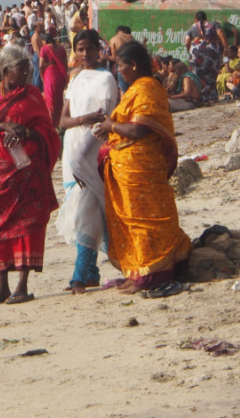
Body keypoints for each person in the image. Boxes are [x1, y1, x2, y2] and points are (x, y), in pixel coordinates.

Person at [92, 41, 192, 294]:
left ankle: (152, 274)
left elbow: (138, 129)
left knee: (145, 220)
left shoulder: (147, 89)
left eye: (120, 65)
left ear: (134, 65)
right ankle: (137, 272)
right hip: (127, 167)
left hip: (142, 168)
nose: (118, 71)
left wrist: (110, 127)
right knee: (130, 220)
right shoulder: (136, 88)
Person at [0, 46, 60, 305]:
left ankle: (22, 285)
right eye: (21, 69)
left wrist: (26, 132)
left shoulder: (32, 94)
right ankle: (2, 286)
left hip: (27, 168)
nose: (26, 73)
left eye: (27, 69)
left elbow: (46, 130)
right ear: (6, 71)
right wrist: (1, 126)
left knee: (28, 226)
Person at [56, 29, 119, 293]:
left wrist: (85, 154)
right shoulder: (76, 79)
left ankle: (79, 276)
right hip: (73, 151)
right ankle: (91, 271)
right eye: (79, 50)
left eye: (89, 49)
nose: (84, 54)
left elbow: (106, 121)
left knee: (87, 212)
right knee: (85, 212)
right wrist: (83, 120)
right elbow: (62, 121)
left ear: (98, 49)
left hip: (94, 152)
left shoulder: (106, 80)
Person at [184, 11, 225, 104]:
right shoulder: (213, 24)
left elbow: (187, 42)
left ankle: (200, 97)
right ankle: (212, 97)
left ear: (196, 19)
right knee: (212, 74)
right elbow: (221, 34)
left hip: (196, 53)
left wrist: (190, 50)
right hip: (212, 53)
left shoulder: (193, 27)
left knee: (198, 75)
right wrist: (225, 47)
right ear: (206, 17)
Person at [38, 32, 68, 126]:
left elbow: (41, 65)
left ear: (45, 40)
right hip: (60, 74)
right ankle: (59, 121)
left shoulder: (44, 48)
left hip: (50, 75)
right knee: (59, 99)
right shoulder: (61, 48)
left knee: (50, 98)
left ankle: (51, 122)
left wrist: (42, 75)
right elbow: (65, 64)